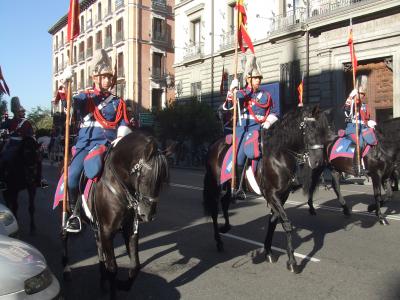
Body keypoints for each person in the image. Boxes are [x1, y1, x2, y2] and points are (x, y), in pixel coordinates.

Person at [57, 49, 132, 233]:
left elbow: (123, 122)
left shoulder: (118, 102)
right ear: (96, 78)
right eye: (104, 77)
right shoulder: (86, 96)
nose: (108, 80)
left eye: (109, 77)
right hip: (87, 144)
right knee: (72, 176)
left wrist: (121, 137)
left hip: (111, 144)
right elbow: (70, 105)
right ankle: (75, 213)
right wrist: (66, 84)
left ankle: (133, 210)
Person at [224, 55, 279, 195]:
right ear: (249, 79)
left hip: (261, 128)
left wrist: (268, 122)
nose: (258, 81)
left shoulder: (266, 95)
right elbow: (229, 105)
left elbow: (275, 111)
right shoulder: (242, 94)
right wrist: (232, 90)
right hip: (243, 129)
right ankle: (237, 187)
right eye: (255, 78)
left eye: (259, 78)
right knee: (240, 156)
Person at [0, 97, 48, 190]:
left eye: (23, 112)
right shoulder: (10, 121)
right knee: (3, 159)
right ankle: (2, 180)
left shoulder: (26, 122)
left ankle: (40, 179)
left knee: (37, 159)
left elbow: (31, 134)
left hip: (24, 143)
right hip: (13, 143)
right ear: (17, 112)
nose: (24, 113)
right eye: (22, 112)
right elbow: (2, 126)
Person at [343, 75, 377, 175]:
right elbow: (346, 110)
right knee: (360, 142)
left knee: (374, 140)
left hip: (363, 129)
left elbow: (366, 118)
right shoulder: (353, 103)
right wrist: (350, 97)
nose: (362, 95)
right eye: (360, 93)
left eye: (363, 94)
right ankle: (356, 166)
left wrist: (370, 122)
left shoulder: (365, 106)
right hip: (352, 129)